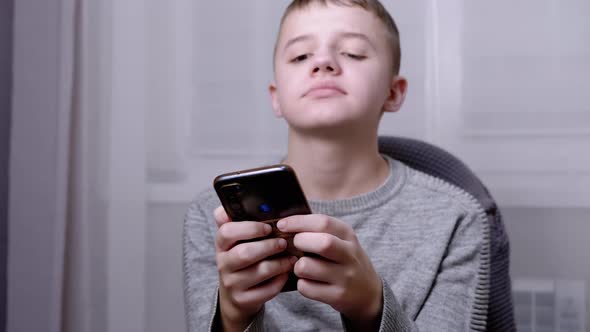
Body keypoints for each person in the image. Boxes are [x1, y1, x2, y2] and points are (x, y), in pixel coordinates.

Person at [183, 0, 490, 331]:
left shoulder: (457, 218)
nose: (324, 62)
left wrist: (370, 306)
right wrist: (232, 314)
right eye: (301, 56)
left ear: (394, 92)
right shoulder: (212, 217)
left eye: (354, 53)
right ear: (276, 97)